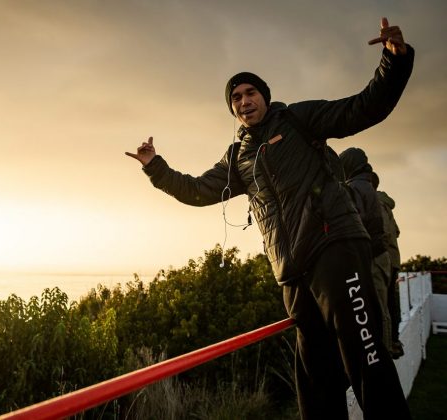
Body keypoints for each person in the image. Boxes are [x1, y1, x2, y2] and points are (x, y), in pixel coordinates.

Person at [126, 17, 413, 420]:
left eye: (251, 92)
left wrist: (394, 59)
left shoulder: (297, 120)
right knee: (315, 381)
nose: (245, 101)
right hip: (292, 275)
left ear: (264, 95)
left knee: (364, 356)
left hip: (335, 249)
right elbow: (195, 190)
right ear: (233, 108)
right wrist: (155, 167)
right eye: (236, 98)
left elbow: (364, 107)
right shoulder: (238, 158)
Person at [340, 147, 393, 357]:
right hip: (380, 256)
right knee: (382, 309)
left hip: (372, 258)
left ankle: (384, 356)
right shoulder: (367, 184)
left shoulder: (356, 187)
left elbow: (357, 222)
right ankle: (385, 352)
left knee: (378, 311)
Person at [371, 170, 405, 359]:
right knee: (391, 301)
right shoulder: (386, 204)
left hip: (385, 260)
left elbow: (382, 232)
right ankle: (394, 341)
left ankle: (389, 344)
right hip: (393, 259)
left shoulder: (375, 203)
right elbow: (396, 232)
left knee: (385, 304)